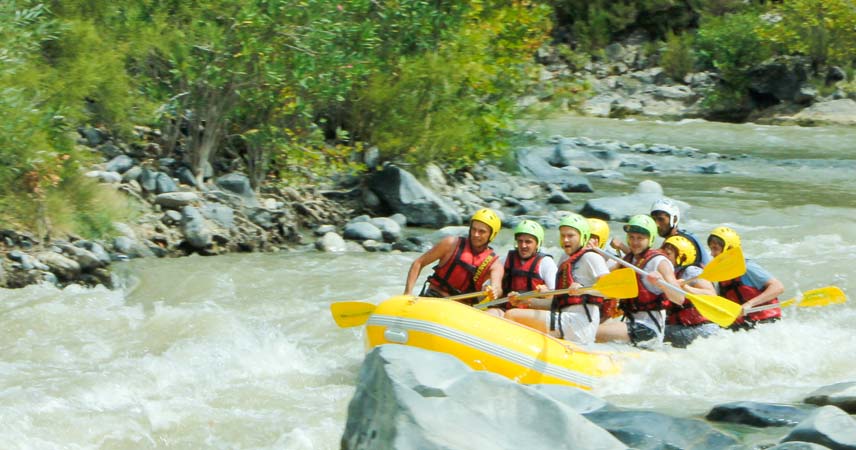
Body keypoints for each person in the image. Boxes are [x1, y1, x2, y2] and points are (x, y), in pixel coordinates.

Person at [505, 214, 608, 344]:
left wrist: (584, 290)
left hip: (581, 323)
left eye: (570, 236)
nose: (565, 240)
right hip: (566, 319)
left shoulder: (591, 258)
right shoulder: (564, 260)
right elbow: (555, 303)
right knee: (514, 312)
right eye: (562, 235)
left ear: (583, 237)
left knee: (512, 315)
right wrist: (526, 301)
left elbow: (608, 290)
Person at [596, 215, 687, 349]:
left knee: (592, 332)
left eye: (640, 238)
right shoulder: (628, 259)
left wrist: (661, 283)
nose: (634, 242)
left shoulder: (660, 262)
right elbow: (602, 284)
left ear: (650, 239)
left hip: (648, 329)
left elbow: (679, 298)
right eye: (631, 237)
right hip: (630, 323)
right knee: (589, 326)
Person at [403, 208, 504, 307]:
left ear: (492, 234)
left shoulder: (495, 264)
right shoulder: (450, 244)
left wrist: (494, 291)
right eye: (473, 229)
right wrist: (408, 293)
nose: (475, 234)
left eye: (481, 231)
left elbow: (498, 287)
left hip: (461, 309)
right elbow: (418, 263)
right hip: (435, 298)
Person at [707, 226, 785, 330]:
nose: (712, 254)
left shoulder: (747, 268)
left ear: (729, 249)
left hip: (766, 323)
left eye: (715, 249)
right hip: (742, 327)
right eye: (711, 249)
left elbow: (778, 287)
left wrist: (749, 304)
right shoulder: (722, 274)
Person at [610, 198, 711, 267]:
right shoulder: (684, 234)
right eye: (654, 219)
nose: (656, 224)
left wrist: (622, 247)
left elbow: (649, 261)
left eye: (661, 219)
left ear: (674, 219)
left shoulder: (676, 243)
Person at [662, 235, 720, 348]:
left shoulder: (691, 272)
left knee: (657, 334)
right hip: (684, 327)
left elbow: (712, 295)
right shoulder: (670, 274)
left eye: (668, 254)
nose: (664, 258)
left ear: (681, 257)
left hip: (702, 330)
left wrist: (686, 288)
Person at [500, 220, 557, 312]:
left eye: (528, 242)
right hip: (507, 309)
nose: (523, 245)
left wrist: (547, 294)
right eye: (520, 241)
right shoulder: (506, 259)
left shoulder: (546, 263)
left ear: (537, 244)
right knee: (493, 312)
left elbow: (556, 298)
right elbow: (491, 285)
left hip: (533, 313)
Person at [587, 217, 619, 323]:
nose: (587, 241)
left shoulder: (612, 261)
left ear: (600, 240)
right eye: (585, 236)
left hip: (603, 310)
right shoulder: (568, 257)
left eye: (592, 237)